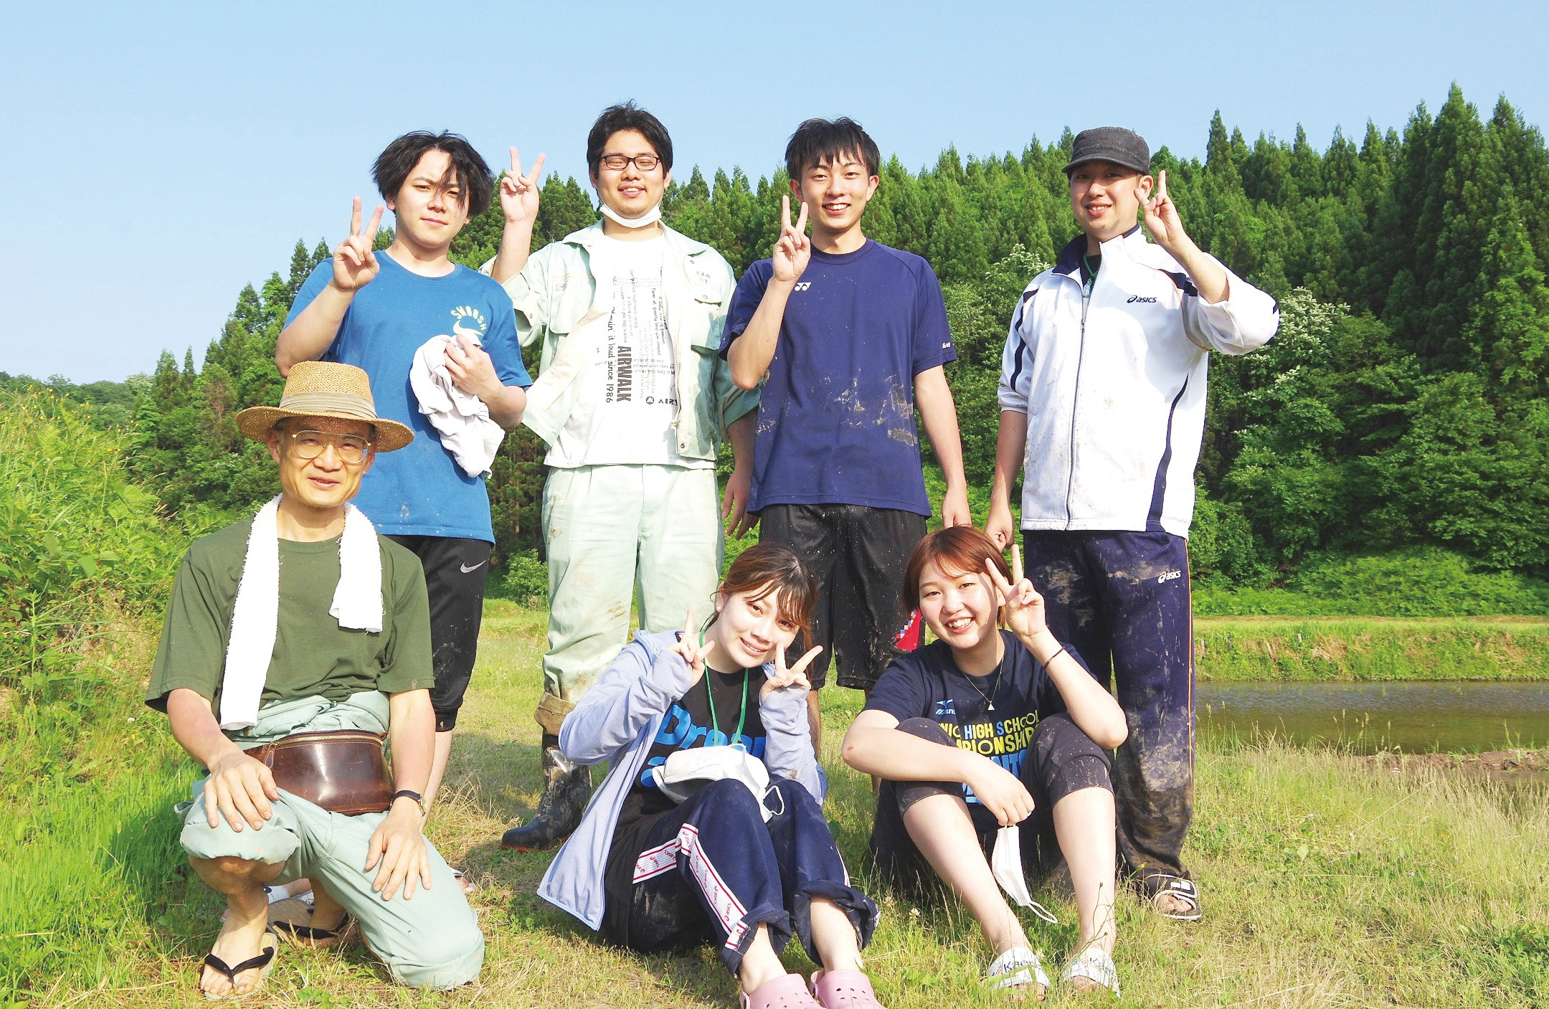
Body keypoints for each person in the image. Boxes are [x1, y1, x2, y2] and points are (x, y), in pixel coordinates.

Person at [985, 126, 1280, 920]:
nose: (1096, 190)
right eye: (1084, 176)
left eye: (1114, 176)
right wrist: (1000, 498)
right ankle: (1068, 855)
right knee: (1061, 694)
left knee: (1155, 701)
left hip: (1143, 530)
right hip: (1048, 530)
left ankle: (1157, 864)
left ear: (1144, 187)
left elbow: (1255, 325)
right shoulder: (1039, 293)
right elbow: (1014, 400)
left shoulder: (1172, 277)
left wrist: (1180, 243)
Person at [144, 361, 485, 997]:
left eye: (349, 444)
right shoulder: (214, 558)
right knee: (223, 844)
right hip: (263, 779)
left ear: (368, 459)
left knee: (446, 959)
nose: (329, 460)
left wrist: (408, 808)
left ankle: (330, 900)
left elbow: (412, 703)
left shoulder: (396, 568)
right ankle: (249, 911)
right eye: (309, 439)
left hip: (362, 793)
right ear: (277, 445)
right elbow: (185, 692)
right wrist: (222, 758)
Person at [485, 102, 758, 849]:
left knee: (687, 631)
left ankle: (671, 786)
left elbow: (731, 381)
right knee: (580, 635)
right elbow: (497, 321)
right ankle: (564, 793)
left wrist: (743, 463)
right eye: (615, 160)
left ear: (666, 173)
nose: (630, 173)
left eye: (644, 161)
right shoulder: (558, 260)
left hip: (685, 469)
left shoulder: (706, 265)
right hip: (584, 464)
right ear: (594, 173)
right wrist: (517, 227)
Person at [277, 131, 532, 813]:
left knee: (440, 683)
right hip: (358, 509)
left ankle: (409, 820)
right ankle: (337, 817)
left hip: (457, 514)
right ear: (391, 195)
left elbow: (514, 406)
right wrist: (340, 289)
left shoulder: (486, 296)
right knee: (342, 672)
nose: (439, 202)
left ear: (470, 210)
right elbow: (291, 359)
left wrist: (487, 385)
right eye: (423, 186)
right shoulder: (350, 271)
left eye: (455, 192)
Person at [538, 545, 884, 1009]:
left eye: (784, 623)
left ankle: (845, 973)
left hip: (726, 889)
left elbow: (806, 814)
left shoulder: (773, 686)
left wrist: (786, 719)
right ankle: (765, 980)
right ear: (723, 597)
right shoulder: (656, 657)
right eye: (755, 608)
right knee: (729, 796)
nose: (764, 633)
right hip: (639, 882)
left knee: (790, 797)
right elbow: (576, 741)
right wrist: (655, 688)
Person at [723, 117, 970, 747]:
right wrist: (784, 280)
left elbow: (930, 384)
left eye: (850, 173)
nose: (835, 187)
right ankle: (796, 787)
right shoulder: (763, 276)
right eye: (819, 174)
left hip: (890, 491)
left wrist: (955, 484)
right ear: (797, 187)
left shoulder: (910, 274)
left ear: (873, 184)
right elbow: (745, 372)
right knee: (789, 658)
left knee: (897, 661)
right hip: (793, 491)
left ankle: (900, 792)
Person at [841, 526, 1127, 999]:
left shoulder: (1037, 657)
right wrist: (969, 766)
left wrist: (1038, 637)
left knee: (1070, 730)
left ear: (998, 588)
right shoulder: (915, 671)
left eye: (966, 585)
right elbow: (858, 745)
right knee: (916, 736)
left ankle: (1098, 940)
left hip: (1029, 852)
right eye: (932, 593)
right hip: (933, 864)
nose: (951, 605)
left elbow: (1112, 730)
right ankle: (1007, 940)